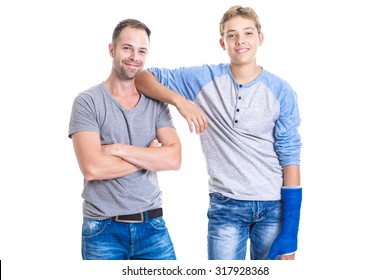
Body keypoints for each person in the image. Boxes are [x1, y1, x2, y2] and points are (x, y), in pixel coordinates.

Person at [135, 5, 302, 260]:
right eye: (232, 35)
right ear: (222, 42)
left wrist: (290, 233)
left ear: (260, 38)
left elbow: (290, 155)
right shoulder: (204, 78)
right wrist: (181, 102)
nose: (240, 41)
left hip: (273, 207)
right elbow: (142, 78)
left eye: (247, 33)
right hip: (226, 207)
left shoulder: (281, 91)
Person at [68, 19, 181, 260]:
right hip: (102, 230)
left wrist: (117, 149)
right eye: (127, 48)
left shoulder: (155, 103)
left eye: (142, 51)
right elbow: (92, 168)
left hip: (152, 226)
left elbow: (174, 159)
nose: (134, 57)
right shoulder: (87, 102)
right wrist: (149, 156)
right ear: (112, 49)